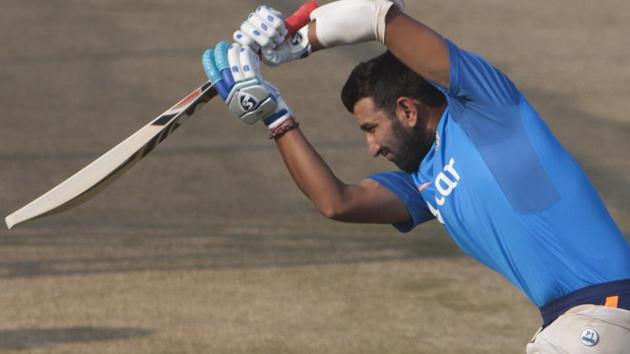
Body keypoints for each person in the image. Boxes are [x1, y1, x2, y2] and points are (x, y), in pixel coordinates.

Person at [202, 1, 630, 352]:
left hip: (607, 307)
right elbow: (338, 202)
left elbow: (378, 17)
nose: (371, 147)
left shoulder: (486, 108)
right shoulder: (423, 183)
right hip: (575, 322)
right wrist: (275, 117)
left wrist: (298, 43)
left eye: (371, 128)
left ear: (407, 110)